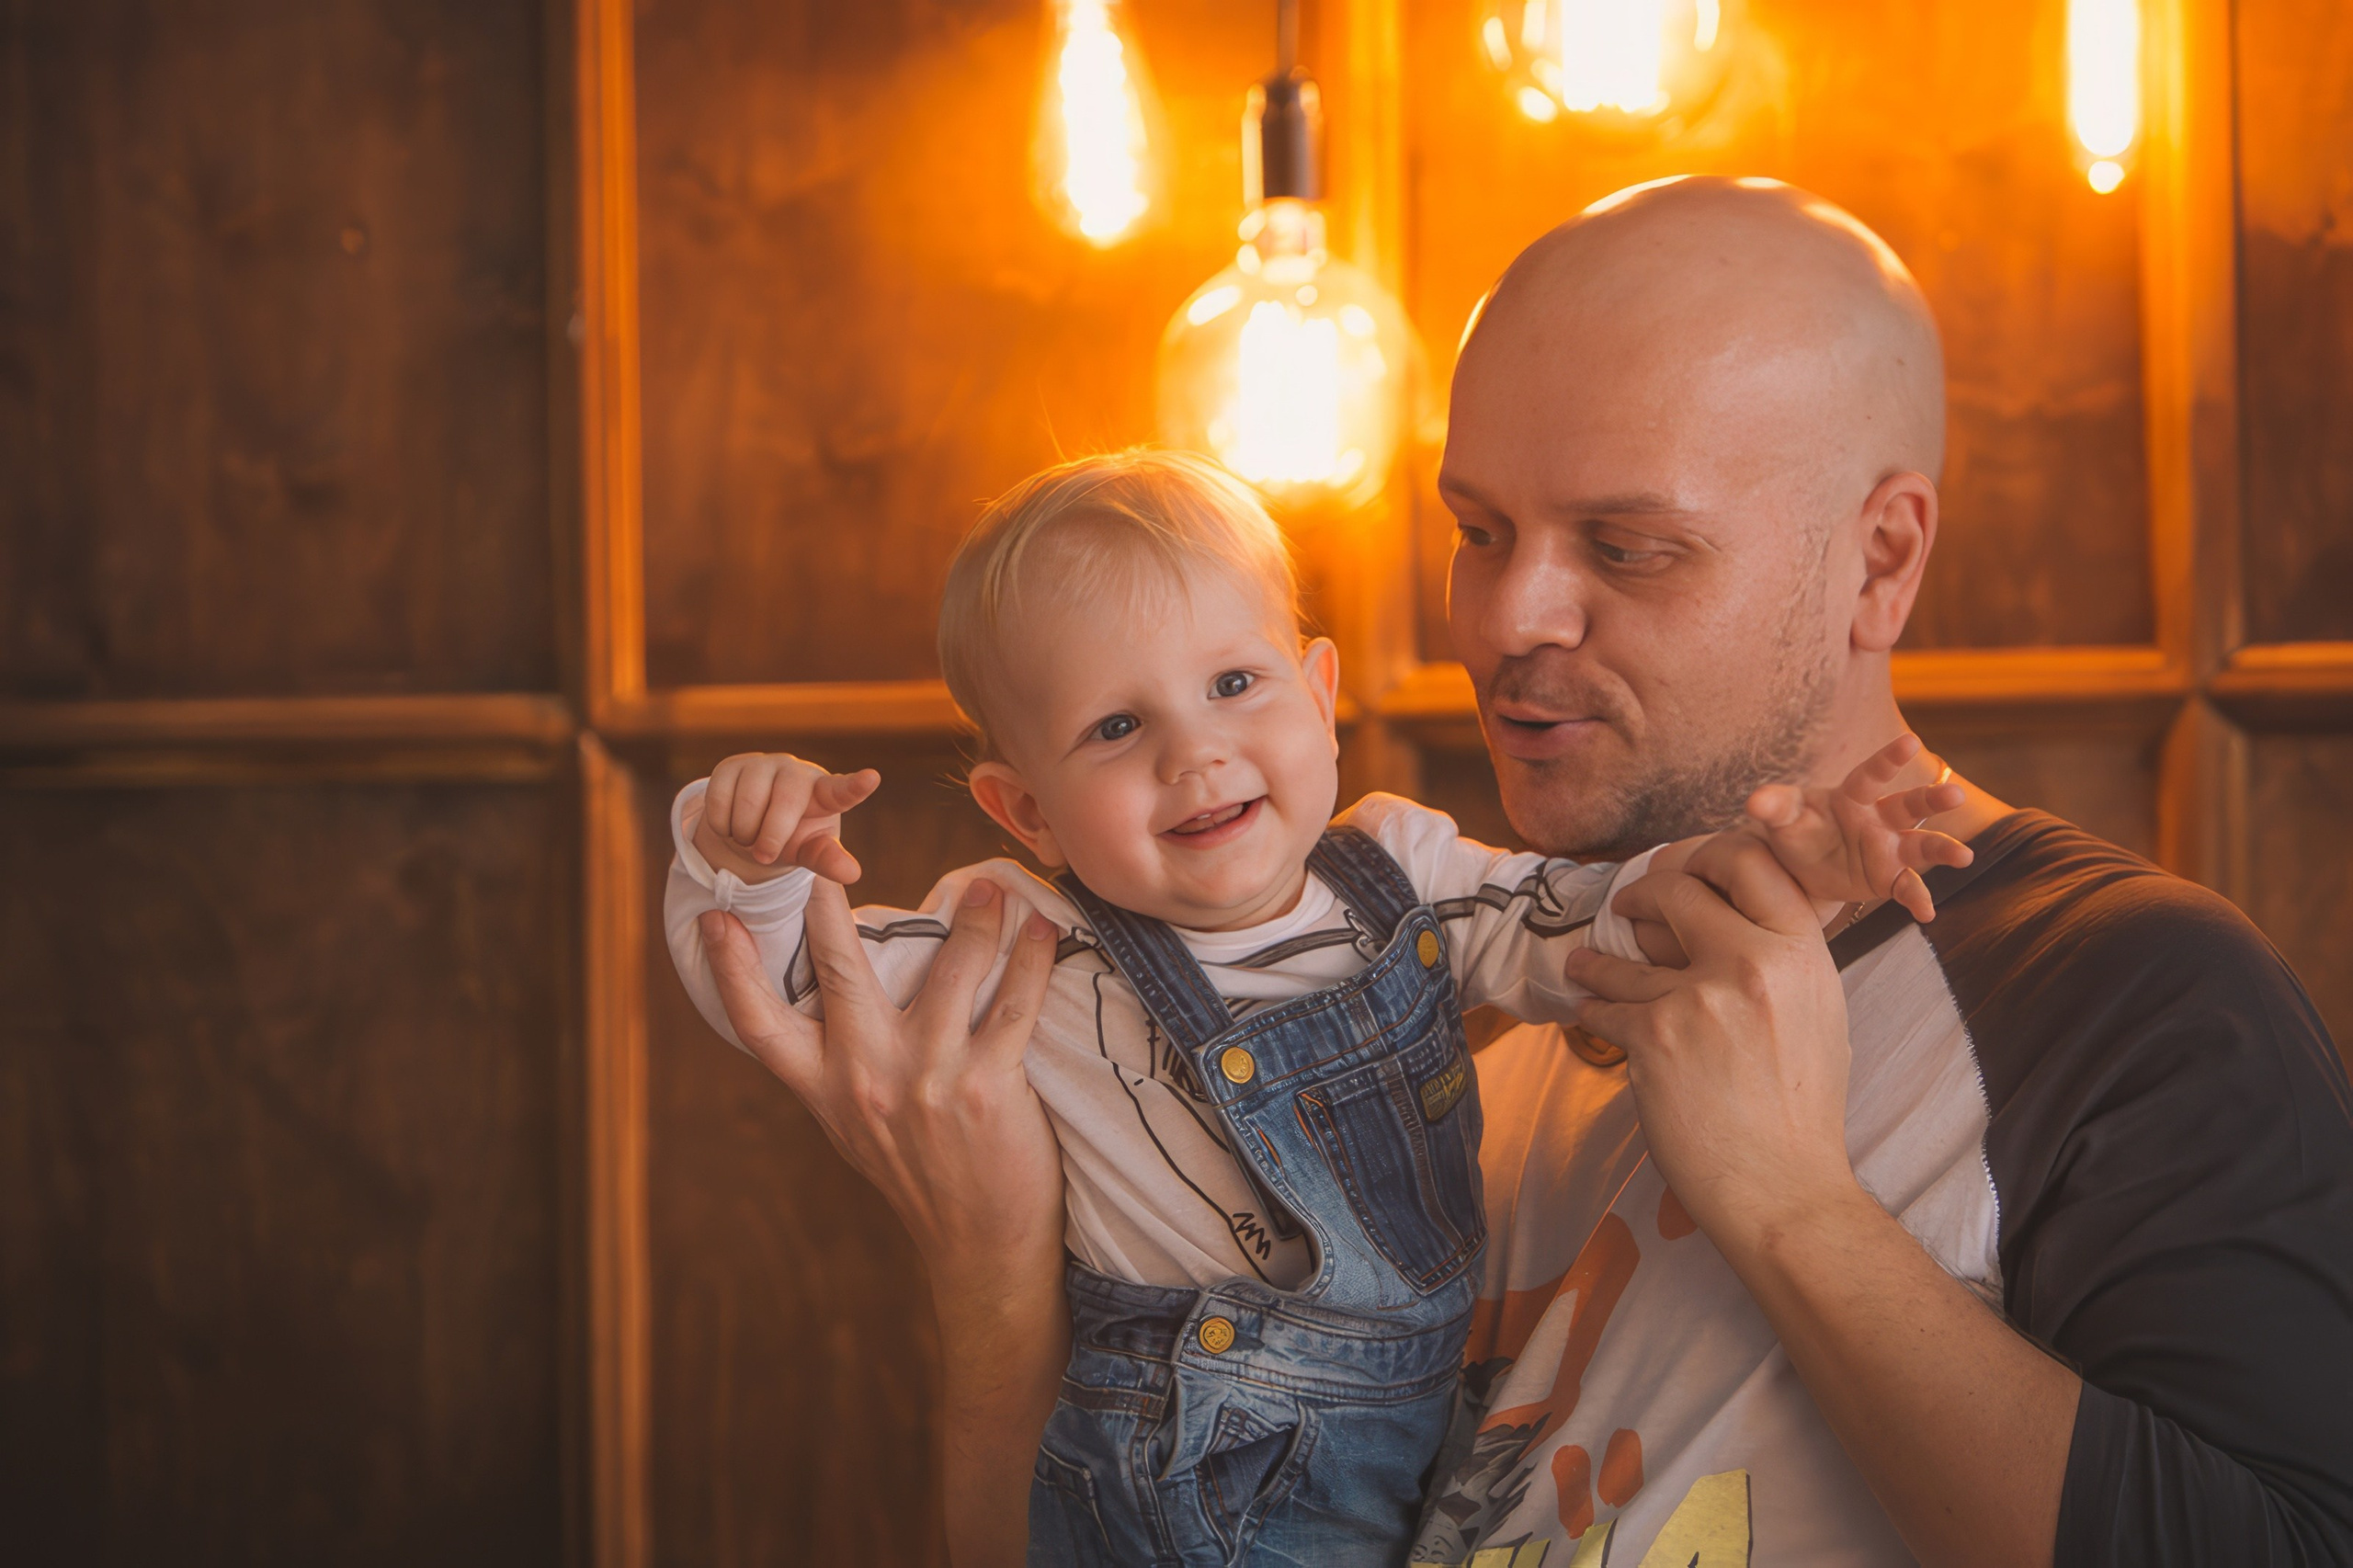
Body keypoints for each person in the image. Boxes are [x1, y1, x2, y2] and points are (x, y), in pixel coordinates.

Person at [698, 176, 2353, 1568]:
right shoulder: (1458, 1021)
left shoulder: (2127, 988)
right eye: (1480, 530)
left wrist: (1787, 1203)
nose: (1503, 620)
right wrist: (995, 1291)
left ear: (1881, 557)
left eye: (1627, 548)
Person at [664, 449, 1968, 1565]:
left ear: (1320, 691)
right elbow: (784, 982)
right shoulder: (1026, 936)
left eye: (1236, 684)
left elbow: (1596, 918)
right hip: (1180, 1465)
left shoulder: (1407, 876)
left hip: (1410, 1442)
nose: (1196, 751)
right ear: (1025, 810)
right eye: (1116, 727)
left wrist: (1796, 864)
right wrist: (746, 860)